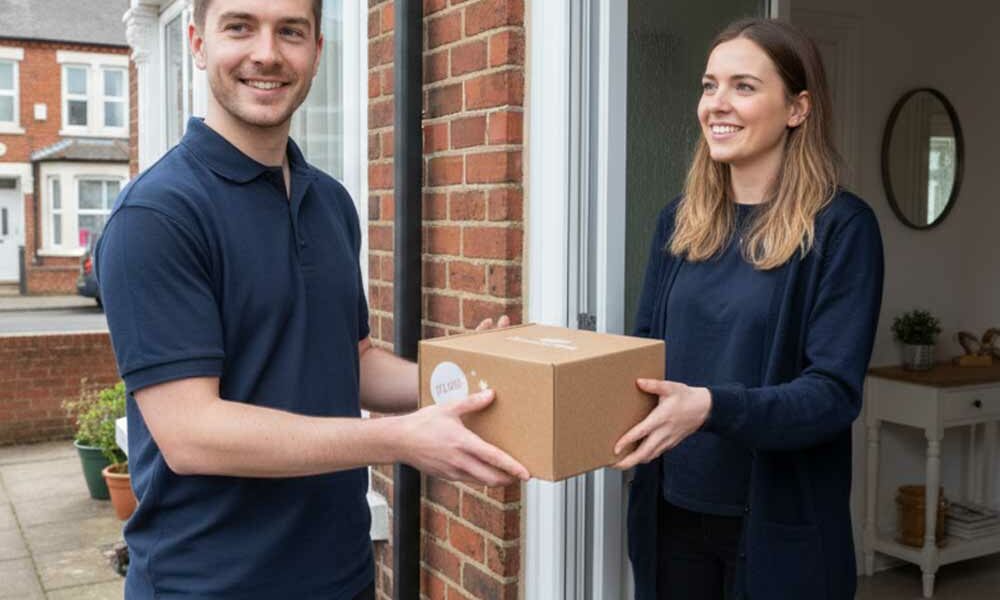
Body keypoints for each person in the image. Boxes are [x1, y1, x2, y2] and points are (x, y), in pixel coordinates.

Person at [95, 1, 528, 598]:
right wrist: (399, 439)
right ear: (197, 42)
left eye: (291, 32)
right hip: (210, 586)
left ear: (317, 51)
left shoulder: (330, 203)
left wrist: (464, 377)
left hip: (342, 576)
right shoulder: (158, 215)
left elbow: (351, 363)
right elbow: (191, 433)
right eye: (240, 27)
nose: (267, 53)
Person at [613, 18, 884, 600]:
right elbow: (642, 356)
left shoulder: (841, 229)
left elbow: (832, 394)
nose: (717, 103)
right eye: (709, 85)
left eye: (743, 86)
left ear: (797, 109)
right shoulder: (678, 222)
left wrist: (711, 407)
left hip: (777, 532)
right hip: (672, 515)